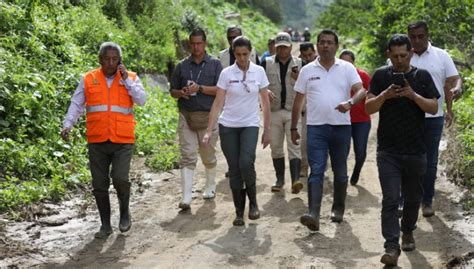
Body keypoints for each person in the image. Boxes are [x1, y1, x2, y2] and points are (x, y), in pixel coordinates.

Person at [365, 34, 439, 266]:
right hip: (388, 150)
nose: (399, 60)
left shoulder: (422, 76)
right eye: (395, 56)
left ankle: (407, 230)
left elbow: (434, 107)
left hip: (416, 149)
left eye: (403, 55)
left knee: (413, 198)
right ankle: (391, 246)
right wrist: (385, 95)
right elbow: (368, 108)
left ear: (411, 54)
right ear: (388, 55)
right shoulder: (380, 76)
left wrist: (413, 95)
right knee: (390, 198)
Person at [61, 42, 147, 238]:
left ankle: (124, 213)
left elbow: (141, 100)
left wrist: (127, 80)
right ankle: (105, 224)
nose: (110, 63)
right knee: (99, 184)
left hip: (122, 140)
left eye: (114, 59)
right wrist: (68, 124)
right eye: (106, 59)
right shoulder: (88, 79)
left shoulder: (131, 78)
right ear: (100, 60)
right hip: (97, 139)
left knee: (120, 179)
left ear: (120, 61)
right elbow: (76, 103)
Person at [291, 30, 367, 231]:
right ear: (316, 45)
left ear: (336, 45)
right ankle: (313, 213)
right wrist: (293, 127)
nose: (325, 46)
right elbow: (298, 101)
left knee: (340, 171)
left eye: (329, 42)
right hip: (316, 128)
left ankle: (338, 209)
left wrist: (350, 103)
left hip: (341, 127)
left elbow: (361, 90)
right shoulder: (307, 70)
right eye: (322, 42)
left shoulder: (347, 68)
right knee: (316, 170)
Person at [203, 36, 271, 226]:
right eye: (238, 54)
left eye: (245, 54)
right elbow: (218, 103)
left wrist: (267, 130)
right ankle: (239, 212)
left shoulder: (259, 72)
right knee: (234, 168)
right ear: (233, 54)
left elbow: (265, 102)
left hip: (249, 124)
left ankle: (254, 203)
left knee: (246, 162)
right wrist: (209, 130)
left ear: (251, 53)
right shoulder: (226, 74)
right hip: (228, 126)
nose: (242, 58)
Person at [406, 21, 462, 217]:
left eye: (421, 36)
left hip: (433, 116)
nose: (417, 40)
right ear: (408, 36)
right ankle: (408, 199)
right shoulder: (403, 56)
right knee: (409, 160)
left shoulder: (441, 55)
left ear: (427, 35)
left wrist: (453, 101)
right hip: (407, 118)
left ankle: (427, 199)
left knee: (430, 161)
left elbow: (453, 80)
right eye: (413, 37)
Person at [169, 28, 223, 210]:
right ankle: (186, 197)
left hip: (209, 117)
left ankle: (210, 185)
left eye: (199, 43)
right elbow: (172, 91)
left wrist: (200, 88)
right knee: (187, 155)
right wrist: (181, 93)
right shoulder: (181, 66)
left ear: (205, 44)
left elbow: (221, 90)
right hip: (186, 115)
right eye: (192, 43)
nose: (196, 47)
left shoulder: (215, 65)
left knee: (208, 155)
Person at [261, 32, 303, 194]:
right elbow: (259, 83)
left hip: (293, 110)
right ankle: (279, 179)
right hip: (274, 111)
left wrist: (298, 77)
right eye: (279, 47)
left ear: (291, 47)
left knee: (294, 145)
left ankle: (295, 180)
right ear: (275, 47)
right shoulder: (267, 63)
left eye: (285, 47)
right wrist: (264, 92)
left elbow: (307, 86)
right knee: (276, 146)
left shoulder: (300, 64)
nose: (282, 50)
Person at [339, 49, 372, 186]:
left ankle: (357, 171)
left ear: (354, 63)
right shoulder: (334, 76)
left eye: (349, 63)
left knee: (360, 151)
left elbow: (370, 94)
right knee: (342, 152)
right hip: (341, 121)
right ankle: (342, 177)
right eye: (343, 62)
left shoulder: (363, 76)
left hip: (362, 120)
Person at [298, 42, 318, 178]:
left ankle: (319, 165)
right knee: (304, 140)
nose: (308, 57)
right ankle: (304, 166)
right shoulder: (300, 67)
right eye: (305, 56)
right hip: (306, 109)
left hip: (322, 109)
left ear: (314, 52)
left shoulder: (322, 64)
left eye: (310, 54)